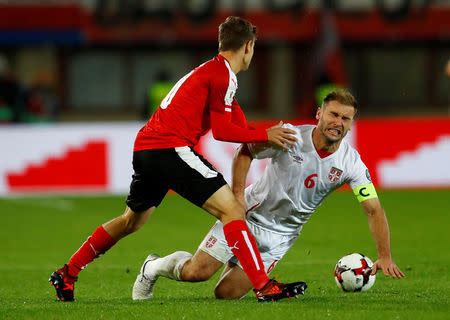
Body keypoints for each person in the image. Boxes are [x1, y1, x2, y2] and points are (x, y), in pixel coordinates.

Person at [49, 16, 304, 303]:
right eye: (253, 47)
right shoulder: (222, 75)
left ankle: (67, 273)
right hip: (169, 148)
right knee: (232, 209)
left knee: (130, 221)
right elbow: (222, 131)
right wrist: (266, 135)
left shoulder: (213, 72)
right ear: (248, 46)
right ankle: (264, 287)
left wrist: (263, 136)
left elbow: (241, 128)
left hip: (146, 149)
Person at [132, 89, 405, 300]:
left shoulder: (351, 164)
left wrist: (385, 255)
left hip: (281, 237)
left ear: (351, 123)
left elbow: (373, 209)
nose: (338, 122)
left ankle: (239, 263)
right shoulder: (290, 137)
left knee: (225, 294)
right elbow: (246, 150)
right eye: (333, 114)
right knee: (196, 273)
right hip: (248, 215)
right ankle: (152, 267)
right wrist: (237, 196)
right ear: (319, 114)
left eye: (345, 118)